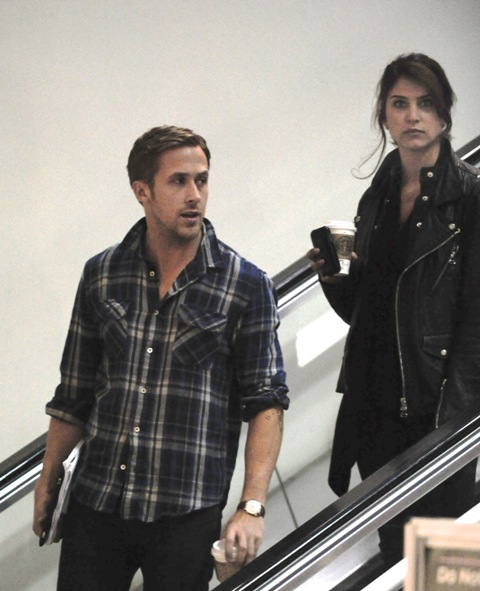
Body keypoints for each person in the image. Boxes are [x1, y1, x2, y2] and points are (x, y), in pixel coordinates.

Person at [33, 125, 290, 590]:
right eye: (178, 181)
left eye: (202, 180)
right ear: (142, 191)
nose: (194, 195)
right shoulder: (103, 274)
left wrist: (251, 506)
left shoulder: (245, 284)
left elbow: (266, 402)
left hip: (185, 513)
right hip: (97, 503)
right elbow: (73, 393)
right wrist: (47, 480)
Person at [307, 53, 480, 564]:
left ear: (444, 112)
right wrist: (334, 280)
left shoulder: (468, 198)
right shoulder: (377, 198)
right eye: (399, 104)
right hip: (373, 408)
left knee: (447, 564)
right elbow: (372, 313)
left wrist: (454, 422)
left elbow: (476, 320)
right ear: (384, 115)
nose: (413, 116)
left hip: (434, 410)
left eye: (426, 103)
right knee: (398, 556)